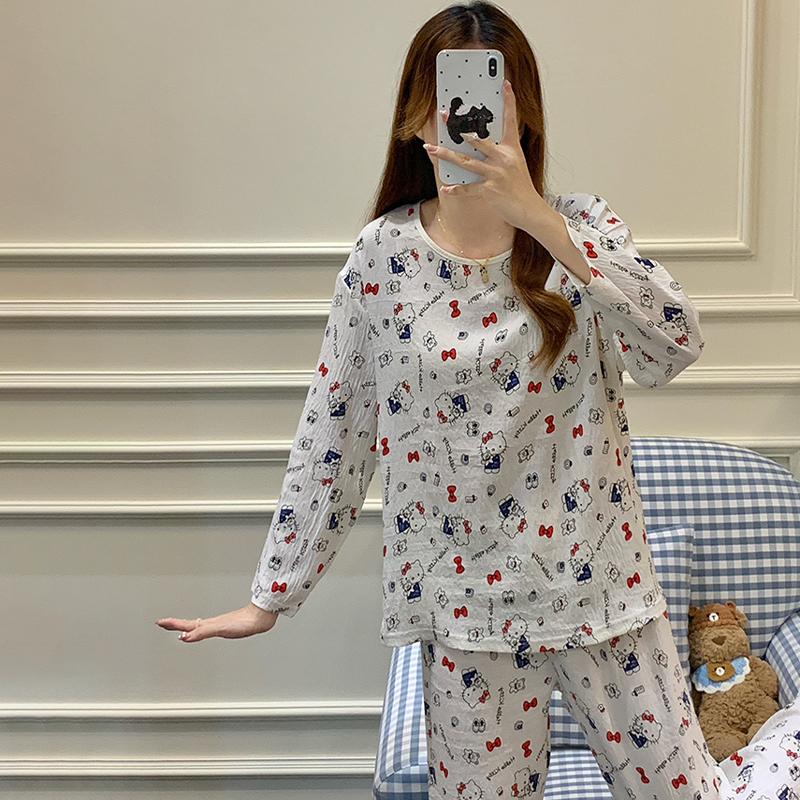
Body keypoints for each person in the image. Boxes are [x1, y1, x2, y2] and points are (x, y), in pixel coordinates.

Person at [157, 3, 779, 798]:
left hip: (602, 591)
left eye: (491, 100)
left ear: (524, 113)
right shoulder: (383, 257)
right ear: (417, 115)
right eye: (447, 100)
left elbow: (674, 347)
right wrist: (272, 595)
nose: (467, 121)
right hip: (465, 611)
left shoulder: (579, 229)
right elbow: (337, 430)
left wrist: (539, 220)